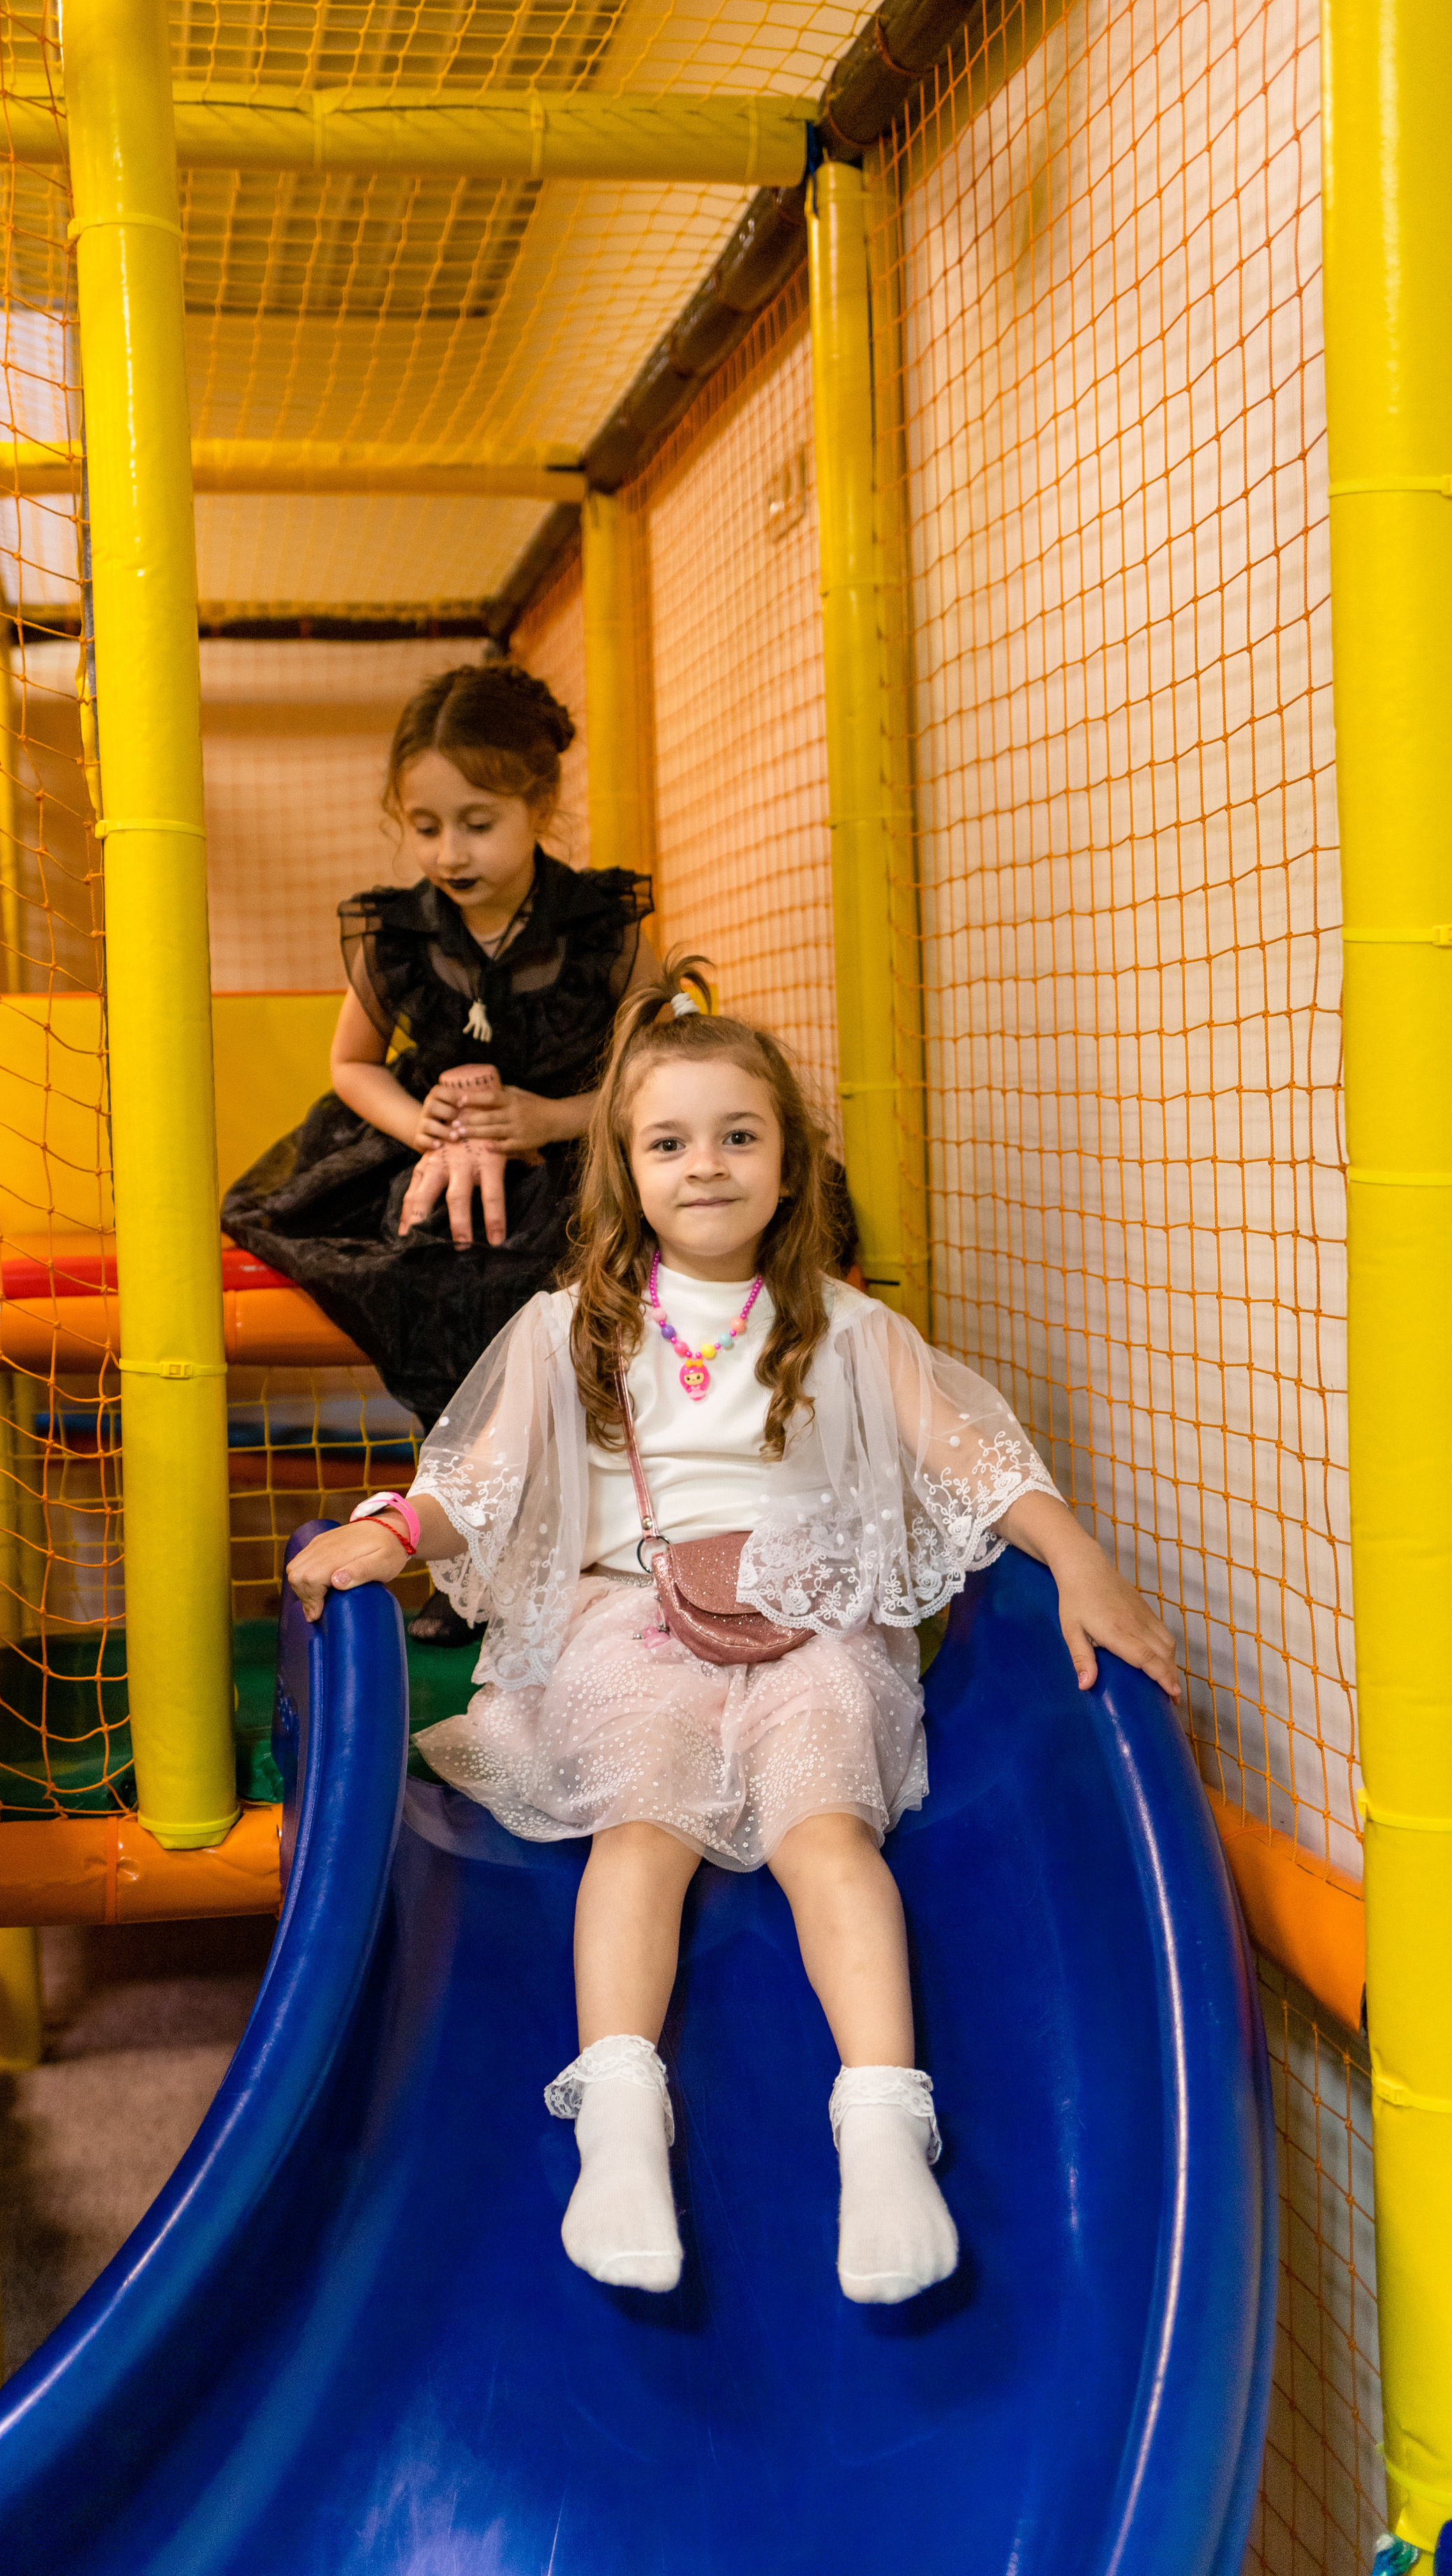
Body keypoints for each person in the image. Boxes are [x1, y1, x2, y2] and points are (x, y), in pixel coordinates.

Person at [287, 963, 1180, 2301]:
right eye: (669, 1143)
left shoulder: (850, 1331)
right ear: (626, 1172)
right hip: (622, 1621)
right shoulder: (570, 1329)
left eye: (739, 1136)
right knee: (641, 1826)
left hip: (812, 1626)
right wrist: (397, 1536)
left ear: (789, 1163)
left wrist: (1080, 1560)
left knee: (828, 1829)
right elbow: (473, 1485)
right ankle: (621, 2125)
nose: (705, 1166)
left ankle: (884, 2132)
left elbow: (977, 1461)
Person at [220, 660, 661, 1641]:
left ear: (538, 803)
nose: (450, 852)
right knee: (440, 1275)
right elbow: (352, 1066)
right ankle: (463, 1561)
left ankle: (575, 1555)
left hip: (572, 1148)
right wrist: (420, 1124)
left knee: (546, 1291)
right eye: (426, 827)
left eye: (478, 822)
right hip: (419, 1154)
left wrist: (548, 1119)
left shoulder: (601, 927)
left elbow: (655, 1074)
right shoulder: (398, 933)